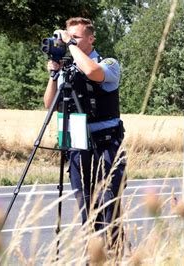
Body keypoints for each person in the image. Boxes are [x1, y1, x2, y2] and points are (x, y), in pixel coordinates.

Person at [43, 17, 126, 251]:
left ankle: (115, 254)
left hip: (106, 146)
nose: (71, 41)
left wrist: (69, 45)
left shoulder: (108, 63)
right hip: (79, 145)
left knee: (108, 205)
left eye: (77, 37)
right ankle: (94, 255)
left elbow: (92, 72)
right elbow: (50, 105)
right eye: (69, 36)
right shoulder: (68, 71)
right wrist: (53, 74)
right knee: (86, 206)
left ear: (91, 39)